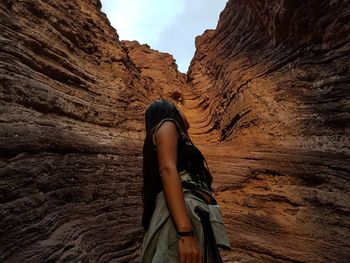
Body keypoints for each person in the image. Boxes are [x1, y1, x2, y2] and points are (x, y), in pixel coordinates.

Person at [140, 99, 231, 263]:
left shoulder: (172, 133)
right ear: (168, 111)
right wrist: (185, 233)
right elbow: (167, 170)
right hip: (182, 217)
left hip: (190, 215)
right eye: (178, 107)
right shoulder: (168, 124)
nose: (182, 111)